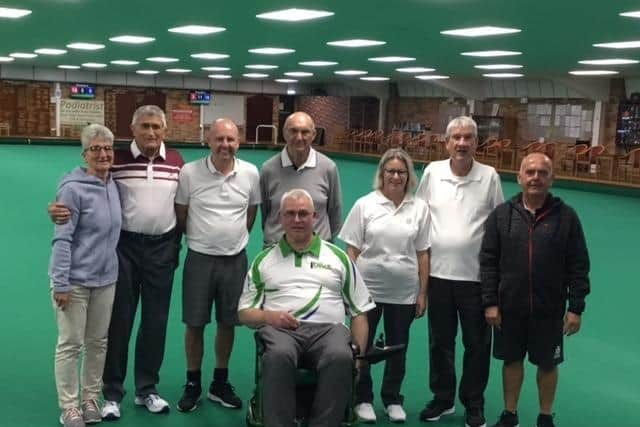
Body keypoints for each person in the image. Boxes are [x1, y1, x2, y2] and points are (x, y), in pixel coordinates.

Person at [49, 105, 184, 419]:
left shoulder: (177, 162)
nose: (151, 133)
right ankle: (111, 393)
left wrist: (175, 245)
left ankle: (147, 389)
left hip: (162, 250)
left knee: (156, 322)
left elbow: (185, 205)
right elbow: (80, 178)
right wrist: (54, 207)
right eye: (145, 126)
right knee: (118, 322)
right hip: (123, 250)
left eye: (156, 127)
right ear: (133, 130)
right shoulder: (118, 159)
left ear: (165, 131)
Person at [238, 189, 375, 427]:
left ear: (315, 217)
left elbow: (360, 311)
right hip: (280, 332)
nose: (297, 220)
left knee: (340, 356)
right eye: (290, 214)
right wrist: (270, 317)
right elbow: (244, 313)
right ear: (280, 218)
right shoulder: (264, 261)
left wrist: (359, 359)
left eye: (303, 213)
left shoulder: (339, 258)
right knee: (278, 355)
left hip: (329, 331)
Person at [480, 153, 590, 427]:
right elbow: (488, 261)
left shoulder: (566, 217)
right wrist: (490, 303)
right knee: (511, 361)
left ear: (552, 178)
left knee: (548, 364)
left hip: (549, 309)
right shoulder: (502, 215)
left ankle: (545, 415)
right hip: (509, 307)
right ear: (519, 177)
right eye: (530, 172)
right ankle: (510, 413)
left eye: (542, 172)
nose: (535, 177)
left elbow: (579, 264)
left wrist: (575, 307)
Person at [416, 116, 504, 427]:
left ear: (476, 142)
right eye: (456, 138)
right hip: (438, 276)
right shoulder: (432, 172)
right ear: (447, 142)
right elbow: (419, 217)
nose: (462, 143)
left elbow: (498, 227)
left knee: (477, 345)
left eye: (468, 137)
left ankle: (474, 402)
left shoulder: (489, 176)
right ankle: (442, 398)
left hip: (476, 279)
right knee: (440, 342)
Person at [174, 118, 260, 412]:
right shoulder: (189, 173)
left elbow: (251, 213)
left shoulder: (250, 173)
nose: (225, 145)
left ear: (239, 142)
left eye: (231, 139)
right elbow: (182, 214)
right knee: (195, 323)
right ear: (207, 140)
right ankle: (193, 382)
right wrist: (205, 240)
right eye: (219, 139)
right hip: (199, 258)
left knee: (228, 322)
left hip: (235, 260)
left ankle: (219, 382)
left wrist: (231, 240)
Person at [339, 148, 431, 423]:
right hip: (366, 291)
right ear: (381, 174)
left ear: (408, 176)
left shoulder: (419, 208)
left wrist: (423, 292)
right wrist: (350, 290)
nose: (395, 176)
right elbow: (351, 251)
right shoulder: (365, 204)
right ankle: (362, 398)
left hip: (403, 292)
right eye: (390, 171)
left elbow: (423, 253)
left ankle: (392, 398)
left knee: (397, 348)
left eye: (401, 171)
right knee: (363, 346)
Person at [49, 124, 122, 427]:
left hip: (107, 280)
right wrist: (61, 282)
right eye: (95, 148)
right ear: (84, 153)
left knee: (98, 342)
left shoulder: (114, 184)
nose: (103, 153)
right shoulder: (72, 188)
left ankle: (90, 398)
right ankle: (69, 406)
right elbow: (62, 239)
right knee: (70, 343)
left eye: (107, 148)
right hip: (75, 282)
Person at [260, 111, 343, 246]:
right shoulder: (268, 169)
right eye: (293, 131)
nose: (299, 137)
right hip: (276, 249)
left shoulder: (329, 168)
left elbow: (335, 213)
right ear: (284, 133)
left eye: (305, 132)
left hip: (318, 251)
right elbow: (267, 212)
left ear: (314, 135)